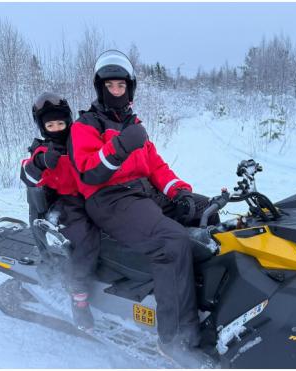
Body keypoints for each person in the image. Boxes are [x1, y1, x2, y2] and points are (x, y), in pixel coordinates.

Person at [68, 50, 218, 367]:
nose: (115, 91)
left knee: (208, 211)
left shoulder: (135, 124)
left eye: (121, 86)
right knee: (171, 241)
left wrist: (179, 192)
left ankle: (207, 296)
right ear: (100, 88)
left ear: (129, 88)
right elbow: (89, 172)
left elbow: (156, 166)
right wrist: (120, 146)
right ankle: (175, 336)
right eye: (110, 86)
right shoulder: (86, 125)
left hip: (142, 192)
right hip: (108, 198)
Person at [20, 92, 102, 331]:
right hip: (64, 204)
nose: (56, 129)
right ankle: (79, 296)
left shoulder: (78, 143)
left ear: (69, 122)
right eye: (50, 125)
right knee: (87, 238)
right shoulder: (42, 150)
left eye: (61, 123)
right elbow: (27, 175)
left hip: (90, 196)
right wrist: (41, 163)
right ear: (43, 127)